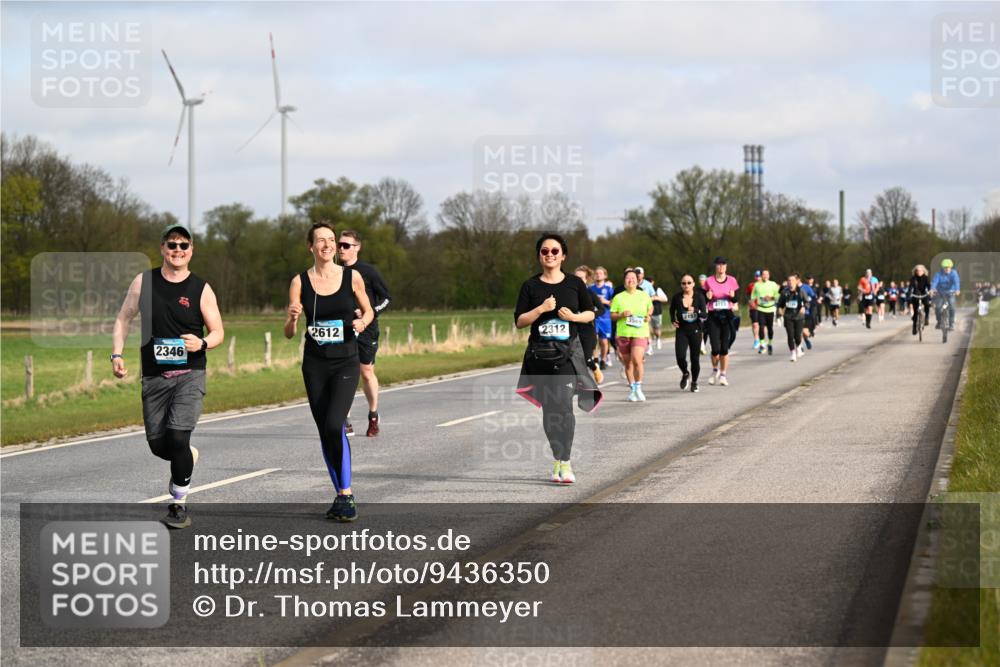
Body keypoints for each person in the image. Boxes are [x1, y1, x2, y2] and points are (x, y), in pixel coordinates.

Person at [111, 224, 225, 529]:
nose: (178, 250)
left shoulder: (201, 289)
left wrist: (202, 343)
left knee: (177, 436)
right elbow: (123, 318)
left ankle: (178, 503)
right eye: (172, 245)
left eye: (183, 246)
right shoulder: (143, 282)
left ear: (191, 251)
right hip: (154, 376)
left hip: (190, 374)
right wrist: (117, 354)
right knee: (160, 446)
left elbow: (218, 332)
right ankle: (186, 455)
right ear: (162, 248)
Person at [286, 222, 374, 522]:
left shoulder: (352, 277)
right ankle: (340, 495)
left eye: (332, 240)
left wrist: (363, 323)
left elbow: (369, 310)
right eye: (320, 240)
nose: (327, 245)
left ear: (336, 247)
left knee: (335, 423)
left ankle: (347, 494)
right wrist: (292, 319)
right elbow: (288, 332)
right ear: (310, 246)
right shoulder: (300, 281)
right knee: (325, 429)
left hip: (345, 361)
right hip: (315, 364)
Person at [515, 233, 601, 484]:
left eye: (554, 251)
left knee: (564, 407)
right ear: (539, 256)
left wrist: (573, 317)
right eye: (544, 251)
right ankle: (557, 457)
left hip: (566, 357)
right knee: (551, 411)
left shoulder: (574, 284)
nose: (549, 255)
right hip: (540, 356)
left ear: (563, 256)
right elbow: (520, 321)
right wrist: (541, 309)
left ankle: (566, 461)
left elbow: (589, 314)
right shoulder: (530, 286)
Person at [337, 230, 391, 438]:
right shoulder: (334, 272)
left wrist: (370, 312)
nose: (341, 249)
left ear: (357, 248)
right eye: (340, 245)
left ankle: (373, 415)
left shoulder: (369, 271)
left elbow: (387, 298)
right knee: (343, 373)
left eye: (346, 245)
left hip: (367, 328)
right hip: (343, 328)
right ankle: (345, 419)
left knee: (366, 372)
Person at [611, 269, 654, 401]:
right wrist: (621, 315)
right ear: (624, 282)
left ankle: (639, 387)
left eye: (633, 278)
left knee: (637, 359)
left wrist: (648, 315)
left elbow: (650, 308)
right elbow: (612, 316)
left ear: (637, 280)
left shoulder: (644, 295)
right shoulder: (618, 297)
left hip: (640, 332)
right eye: (628, 278)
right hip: (624, 333)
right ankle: (633, 389)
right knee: (628, 364)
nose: (631, 280)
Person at [703, 257, 739, 386]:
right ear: (715, 267)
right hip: (713, 316)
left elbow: (736, 300)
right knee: (715, 349)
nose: (721, 267)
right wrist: (708, 298)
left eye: (723, 264)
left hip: (727, 315)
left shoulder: (732, 280)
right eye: (718, 265)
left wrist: (732, 297)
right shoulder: (708, 281)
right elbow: (703, 299)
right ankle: (714, 370)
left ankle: (723, 374)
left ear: (726, 267)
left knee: (724, 349)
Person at [670, 274, 707, 392]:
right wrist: (673, 320)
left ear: (693, 284)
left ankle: (694, 382)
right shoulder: (677, 297)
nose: (686, 285)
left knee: (694, 359)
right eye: (684, 283)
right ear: (681, 285)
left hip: (696, 330)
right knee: (680, 357)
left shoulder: (699, 297)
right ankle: (685, 373)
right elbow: (671, 310)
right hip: (682, 330)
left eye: (689, 283)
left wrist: (696, 310)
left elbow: (705, 315)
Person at [574, 265, 604, 384]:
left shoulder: (590, 293)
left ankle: (594, 367)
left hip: (587, 329)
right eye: (576, 278)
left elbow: (602, 309)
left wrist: (591, 314)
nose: (579, 280)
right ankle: (579, 383)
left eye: (582, 278)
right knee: (573, 358)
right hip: (571, 329)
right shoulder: (568, 293)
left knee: (586, 359)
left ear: (586, 279)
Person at [777, 273, 807, 362]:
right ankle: (793, 353)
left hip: (799, 317)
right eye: (789, 280)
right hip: (788, 316)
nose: (791, 282)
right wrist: (779, 309)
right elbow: (780, 303)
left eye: (793, 280)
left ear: (796, 281)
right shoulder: (784, 292)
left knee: (797, 336)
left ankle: (798, 346)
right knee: (790, 335)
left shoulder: (801, 291)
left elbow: (807, 302)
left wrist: (804, 307)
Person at [589, 266, 615, 369]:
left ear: (605, 275)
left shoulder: (609, 289)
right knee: (593, 340)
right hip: (593, 318)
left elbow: (615, 304)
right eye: (596, 273)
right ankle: (595, 359)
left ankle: (603, 359)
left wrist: (605, 301)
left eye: (600, 273)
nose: (598, 275)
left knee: (604, 341)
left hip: (605, 318)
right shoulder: (590, 289)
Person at [750, 268, 780, 355]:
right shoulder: (757, 285)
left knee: (770, 328)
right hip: (760, 309)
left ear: (769, 276)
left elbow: (778, 296)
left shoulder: (773, 284)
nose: (765, 276)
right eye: (763, 274)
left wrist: (771, 298)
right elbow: (753, 296)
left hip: (770, 309)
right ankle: (762, 344)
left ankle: (770, 343)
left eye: (767, 274)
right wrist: (753, 304)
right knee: (761, 327)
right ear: (761, 275)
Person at [634, 267, 659, 356]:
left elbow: (654, 295)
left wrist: (647, 300)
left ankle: (649, 347)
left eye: (639, 273)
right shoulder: (632, 283)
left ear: (643, 274)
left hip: (645, 309)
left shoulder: (647, 284)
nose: (637, 275)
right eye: (636, 273)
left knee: (646, 328)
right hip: (635, 309)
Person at [931, 258, 961, 330]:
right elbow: (934, 282)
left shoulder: (954, 273)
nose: (947, 269)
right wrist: (932, 289)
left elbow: (956, 282)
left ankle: (951, 323)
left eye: (948, 267)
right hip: (940, 292)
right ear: (942, 268)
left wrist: (957, 290)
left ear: (951, 267)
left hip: (951, 292)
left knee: (952, 307)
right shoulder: (938, 274)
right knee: (938, 307)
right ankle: (939, 322)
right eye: (945, 268)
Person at [907, 264, 931, 336]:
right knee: (915, 312)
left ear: (923, 271)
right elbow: (910, 287)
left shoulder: (926, 278)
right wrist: (909, 293)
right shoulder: (913, 278)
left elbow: (929, 286)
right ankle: (914, 326)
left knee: (927, 304)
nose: (919, 272)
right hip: (915, 294)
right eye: (917, 271)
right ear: (915, 271)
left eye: (920, 271)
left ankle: (926, 318)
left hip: (923, 294)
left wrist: (930, 291)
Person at [748, 270, 763, 351]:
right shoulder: (751, 285)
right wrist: (750, 302)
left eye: (759, 276)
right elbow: (748, 295)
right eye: (757, 276)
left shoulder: (766, 285)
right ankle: (756, 340)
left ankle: (762, 339)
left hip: (764, 307)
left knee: (763, 325)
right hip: (754, 307)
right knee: (755, 324)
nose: (758, 278)